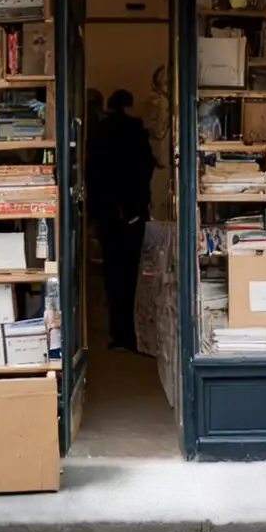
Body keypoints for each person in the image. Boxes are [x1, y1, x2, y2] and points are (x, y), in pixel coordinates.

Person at [87, 89, 157, 351]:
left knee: (111, 273)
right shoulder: (136, 130)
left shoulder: (98, 132)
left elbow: (92, 172)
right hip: (132, 210)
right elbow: (147, 166)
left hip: (107, 212)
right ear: (129, 105)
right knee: (132, 272)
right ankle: (131, 333)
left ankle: (116, 331)